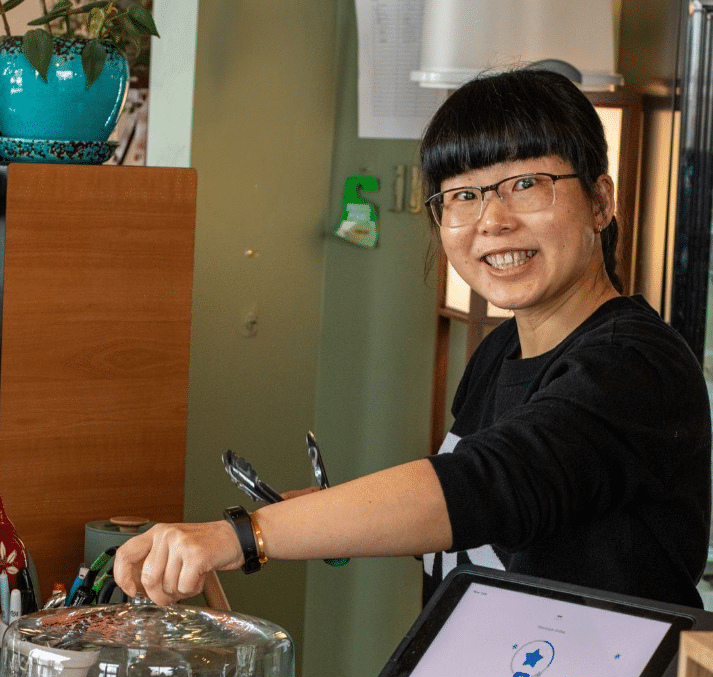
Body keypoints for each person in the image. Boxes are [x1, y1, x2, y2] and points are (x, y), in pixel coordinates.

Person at [114, 67, 712, 610]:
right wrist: (321, 516)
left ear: (601, 201)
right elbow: (491, 529)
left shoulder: (634, 364)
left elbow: (490, 487)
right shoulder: (502, 350)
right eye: (463, 195)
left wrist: (242, 536)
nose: (492, 220)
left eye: (527, 184)